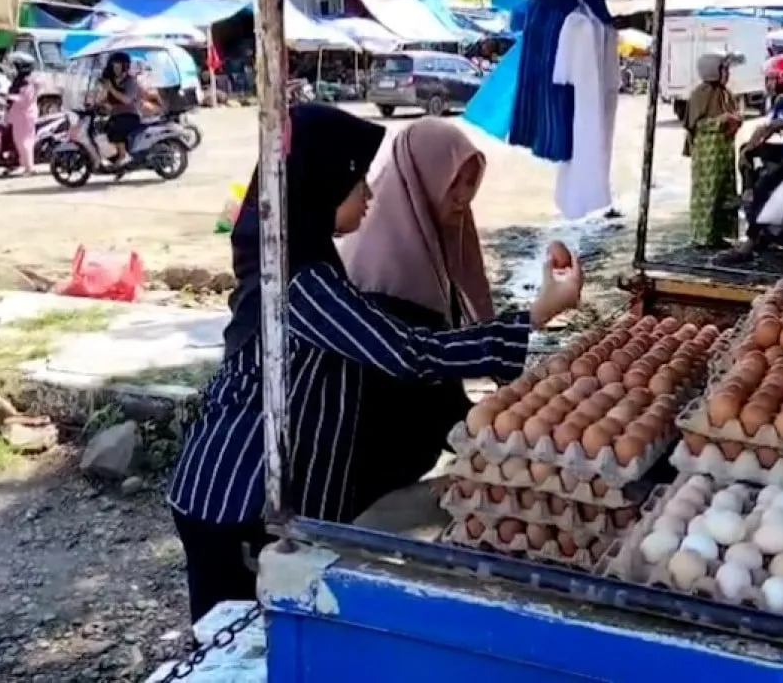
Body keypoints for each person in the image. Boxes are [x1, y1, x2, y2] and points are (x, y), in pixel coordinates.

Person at [167, 104, 583, 625]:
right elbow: (410, 351)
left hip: (265, 495)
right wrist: (536, 315)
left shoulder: (310, 263)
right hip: (235, 502)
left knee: (276, 638)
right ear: (320, 186)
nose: (369, 193)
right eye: (356, 181)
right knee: (238, 645)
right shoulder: (302, 285)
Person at [339, 118, 497, 503]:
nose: (463, 197)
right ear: (422, 178)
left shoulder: (430, 244)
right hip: (370, 462)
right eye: (453, 183)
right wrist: (485, 432)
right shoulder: (386, 266)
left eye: (470, 184)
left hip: (408, 452)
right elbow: (418, 374)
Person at [715, 54, 783, 265]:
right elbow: (768, 127)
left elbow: (780, 123)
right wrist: (751, 147)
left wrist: (765, 131)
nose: (768, 84)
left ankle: (751, 240)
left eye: (771, 78)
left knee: (764, 186)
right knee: (747, 153)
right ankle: (747, 193)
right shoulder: (782, 100)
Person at [683, 53, 742, 249]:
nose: (727, 74)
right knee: (708, 194)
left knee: (724, 192)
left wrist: (735, 120)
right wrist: (720, 120)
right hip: (708, 153)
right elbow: (696, 125)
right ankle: (704, 237)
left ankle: (721, 234)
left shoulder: (726, 93)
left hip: (724, 151)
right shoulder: (701, 94)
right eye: (724, 70)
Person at [99, 52, 143, 166]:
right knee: (102, 129)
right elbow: (102, 97)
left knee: (117, 128)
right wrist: (96, 101)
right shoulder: (111, 81)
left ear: (125, 66)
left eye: (119, 66)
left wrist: (112, 89)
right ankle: (112, 156)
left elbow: (127, 100)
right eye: (114, 66)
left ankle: (124, 156)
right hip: (115, 114)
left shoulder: (130, 81)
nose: (116, 69)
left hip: (131, 114)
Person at [4, 52, 39, 175]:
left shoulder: (27, 83)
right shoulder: (22, 81)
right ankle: (24, 165)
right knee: (20, 141)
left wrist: (9, 97)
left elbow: (25, 100)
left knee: (25, 142)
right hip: (20, 115)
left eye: (16, 66)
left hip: (24, 115)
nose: (14, 69)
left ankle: (30, 167)